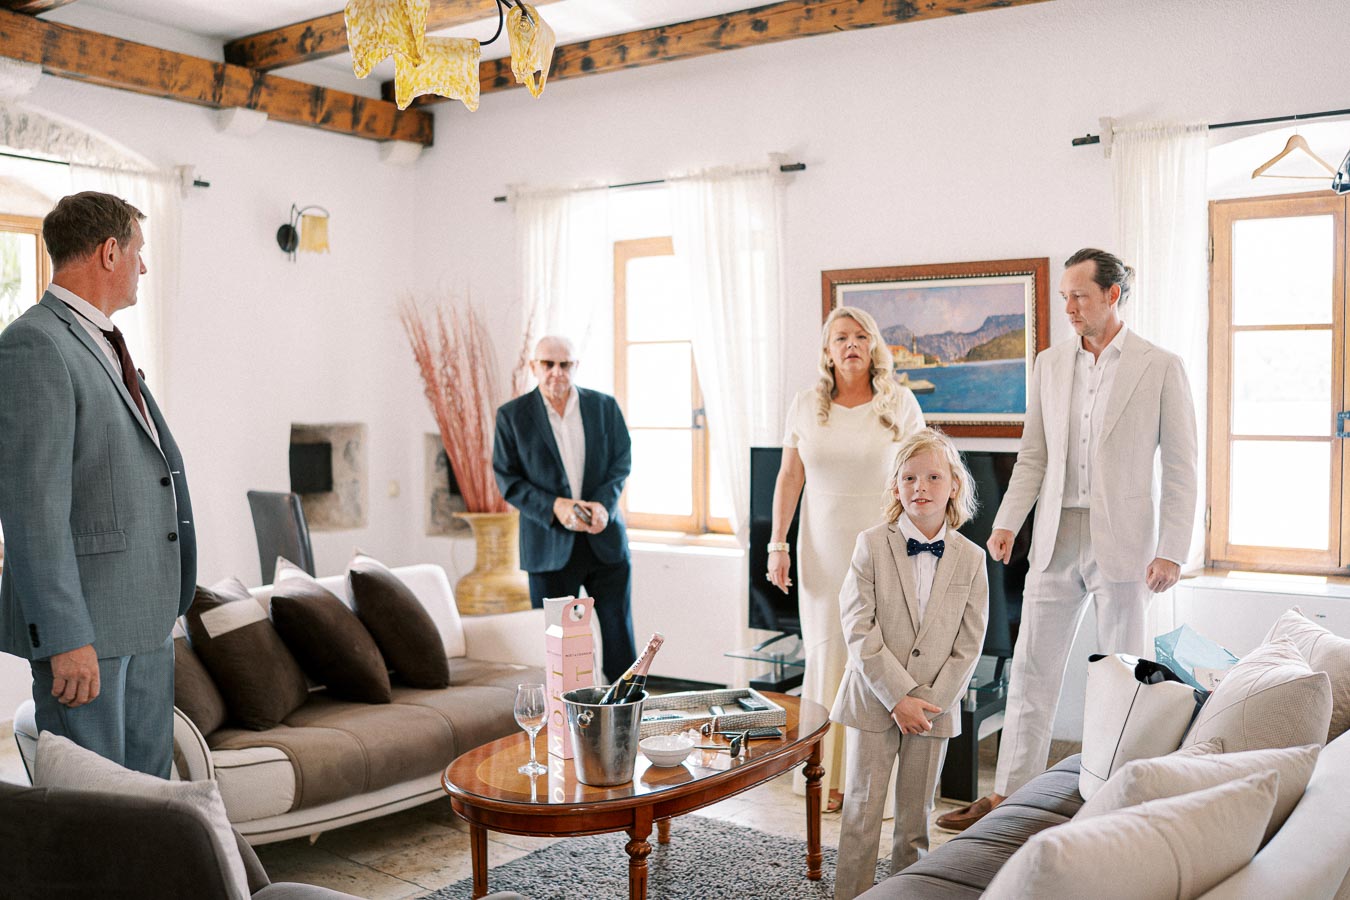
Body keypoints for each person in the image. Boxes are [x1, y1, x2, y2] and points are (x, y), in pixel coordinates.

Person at [936, 248, 1198, 831]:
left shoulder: (1160, 366)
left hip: (1128, 543)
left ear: (1113, 295)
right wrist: (1005, 522)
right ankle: (1006, 799)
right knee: (1031, 670)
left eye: (1080, 295)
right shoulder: (1050, 365)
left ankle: (1117, 801)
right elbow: (1034, 455)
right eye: (1064, 297)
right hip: (1055, 537)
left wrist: (1172, 549)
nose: (1070, 307)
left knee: (1126, 679)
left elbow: (1182, 467)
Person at [0, 191, 196, 778]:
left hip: (143, 618)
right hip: (87, 634)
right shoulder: (34, 344)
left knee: (149, 803)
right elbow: (34, 510)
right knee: (92, 813)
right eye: (138, 251)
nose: (143, 266)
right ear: (110, 252)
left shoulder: (104, 340)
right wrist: (65, 638)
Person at [768, 306, 925, 811]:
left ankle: (873, 781)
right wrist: (778, 544)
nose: (851, 344)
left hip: (884, 544)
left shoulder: (899, 403)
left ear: (874, 345)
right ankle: (826, 777)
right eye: (841, 337)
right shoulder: (805, 404)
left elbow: (922, 474)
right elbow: (790, 478)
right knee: (828, 654)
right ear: (827, 350)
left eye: (861, 336)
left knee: (879, 657)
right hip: (821, 546)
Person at [832, 428, 988, 899]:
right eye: (909, 478)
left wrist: (929, 703)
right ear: (897, 487)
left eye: (933, 477)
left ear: (954, 485)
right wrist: (898, 696)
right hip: (873, 700)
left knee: (916, 819)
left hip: (934, 711)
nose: (921, 487)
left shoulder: (972, 558)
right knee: (861, 812)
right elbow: (858, 626)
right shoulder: (871, 544)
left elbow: (970, 642)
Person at [493, 335, 637, 683]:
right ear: (534, 367)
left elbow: (621, 462)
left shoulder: (604, 407)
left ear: (575, 366)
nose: (557, 372)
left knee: (619, 636)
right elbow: (507, 479)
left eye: (564, 364)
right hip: (548, 547)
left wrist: (604, 505)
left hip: (605, 541)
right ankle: (568, 724)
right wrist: (554, 506)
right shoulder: (512, 416)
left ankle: (628, 714)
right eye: (548, 364)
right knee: (560, 648)